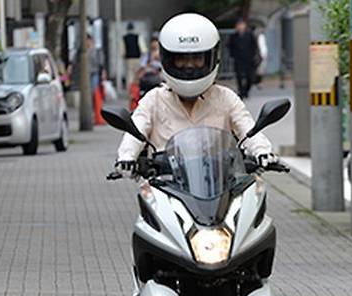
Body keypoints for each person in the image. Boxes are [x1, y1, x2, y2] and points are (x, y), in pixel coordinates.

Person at [114, 13, 278, 177]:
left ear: (211, 58)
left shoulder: (226, 98)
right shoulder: (153, 100)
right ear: (167, 59)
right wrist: (127, 157)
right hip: (164, 185)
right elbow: (137, 129)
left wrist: (262, 152)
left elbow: (246, 127)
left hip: (218, 184)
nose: (189, 66)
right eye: (181, 59)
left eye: (197, 58)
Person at [227, 18, 259, 99]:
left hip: (248, 58)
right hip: (238, 59)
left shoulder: (249, 35)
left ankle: (246, 90)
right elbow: (230, 46)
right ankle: (241, 91)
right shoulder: (233, 36)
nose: (240, 27)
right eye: (238, 25)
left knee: (250, 77)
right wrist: (233, 55)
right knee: (239, 76)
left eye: (241, 25)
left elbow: (254, 45)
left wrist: (254, 55)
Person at [123, 22, 147, 88]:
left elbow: (123, 51)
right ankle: (137, 89)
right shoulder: (138, 37)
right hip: (137, 58)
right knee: (137, 75)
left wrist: (124, 56)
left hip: (128, 59)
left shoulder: (124, 38)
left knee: (129, 75)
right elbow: (143, 49)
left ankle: (130, 90)